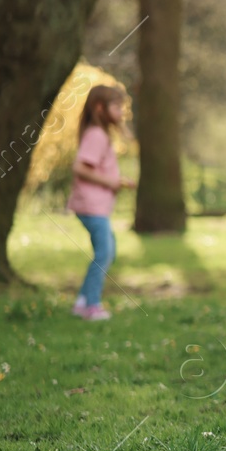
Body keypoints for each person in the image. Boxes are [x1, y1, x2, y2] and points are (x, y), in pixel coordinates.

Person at [68, 86, 134, 321]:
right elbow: (79, 167)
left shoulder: (99, 134)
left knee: (108, 252)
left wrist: (117, 181)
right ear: (99, 108)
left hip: (97, 206)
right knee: (104, 253)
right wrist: (112, 182)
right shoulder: (96, 134)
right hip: (91, 205)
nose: (120, 113)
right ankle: (92, 305)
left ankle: (83, 301)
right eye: (116, 108)